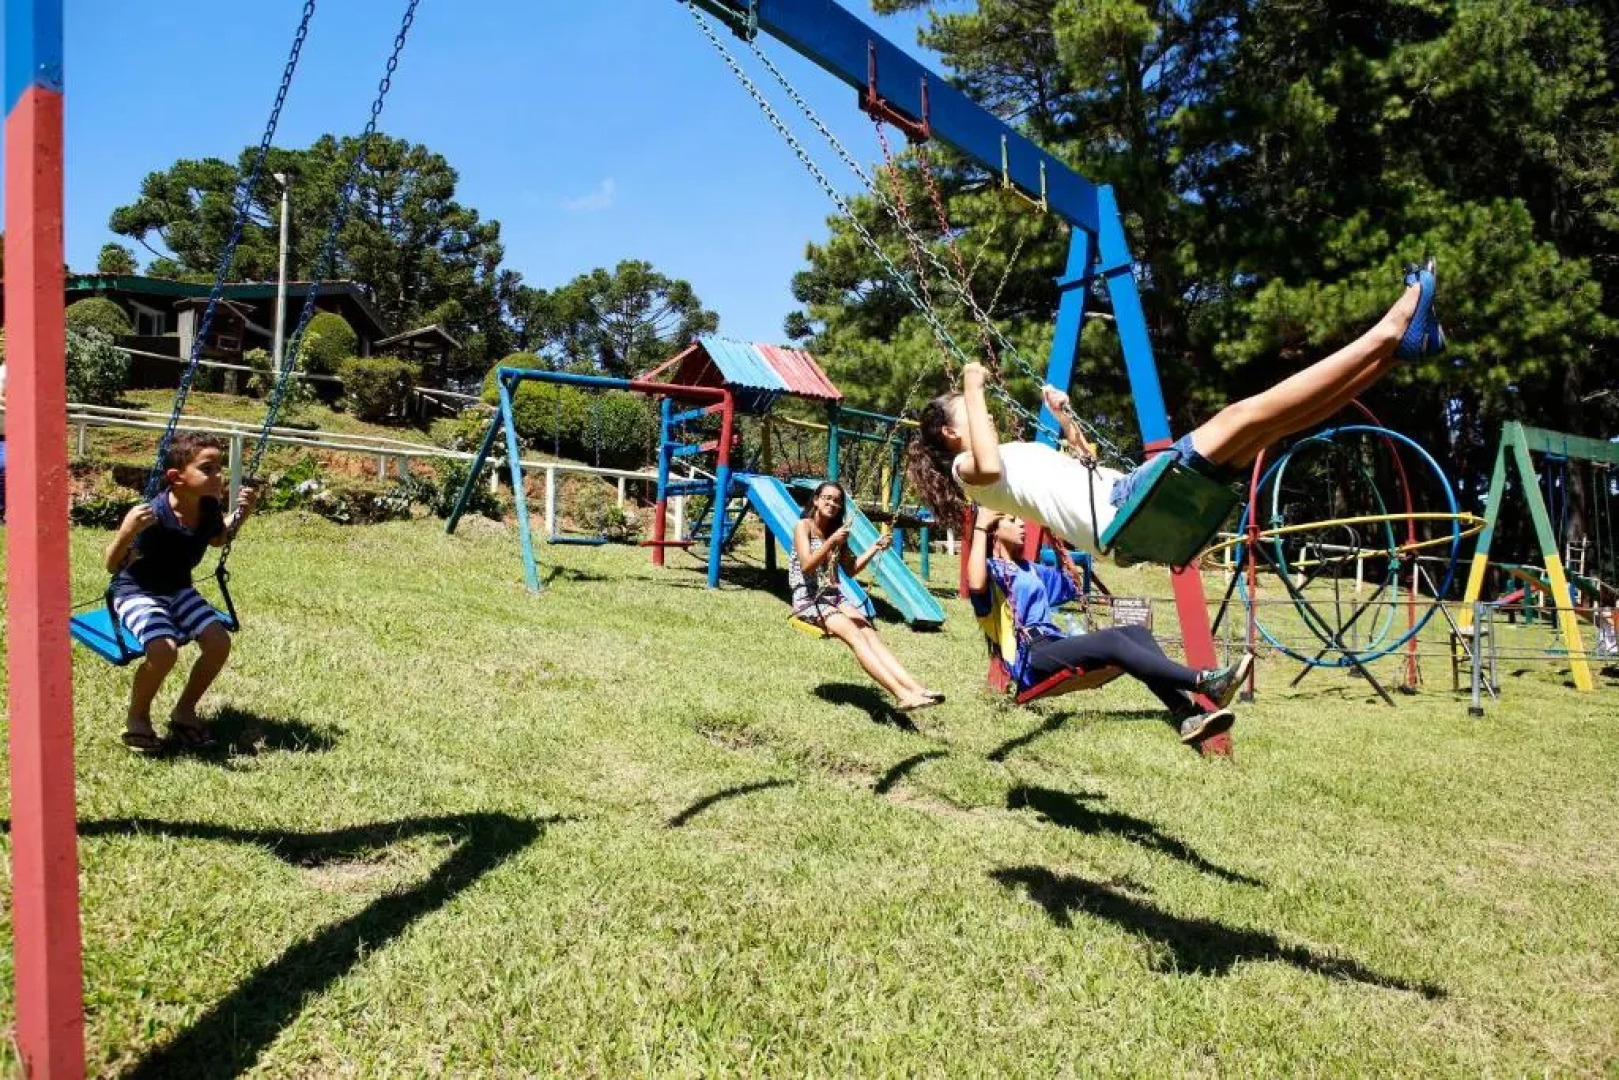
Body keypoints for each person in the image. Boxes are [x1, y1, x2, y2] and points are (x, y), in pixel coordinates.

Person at [907, 262, 1445, 557]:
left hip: (1122, 499)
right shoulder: (969, 473)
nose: (982, 416)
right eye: (967, 414)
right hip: (1125, 509)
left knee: (1271, 424)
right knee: (1243, 415)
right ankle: (1389, 328)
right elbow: (991, 462)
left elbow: (1086, 460)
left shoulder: (1005, 458)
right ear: (951, 435)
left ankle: (1397, 352)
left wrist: (1065, 416)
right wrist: (971, 385)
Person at [968, 508, 1252, 744]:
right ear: (994, 528)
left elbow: (1071, 584)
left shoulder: (1030, 569)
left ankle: (1185, 713)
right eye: (1012, 519)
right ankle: (1204, 682)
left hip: (1054, 643)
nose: (1022, 525)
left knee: (1136, 632)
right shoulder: (991, 571)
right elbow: (976, 584)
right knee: (1113, 644)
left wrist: (1061, 534)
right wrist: (980, 528)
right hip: (1032, 657)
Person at [106, 432, 258, 753]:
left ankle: (184, 710)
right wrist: (127, 530)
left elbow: (217, 539)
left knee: (219, 643)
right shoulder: (152, 517)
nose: (218, 476)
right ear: (176, 478)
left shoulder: (209, 508)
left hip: (179, 590)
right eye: (208, 469)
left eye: (219, 468)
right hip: (137, 592)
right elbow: (112, 565)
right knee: (164, 651)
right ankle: (138, 717)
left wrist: (241, 515)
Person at [791, 480, 943, 712]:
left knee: (869, 633)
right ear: (816, 500)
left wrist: (875, 547)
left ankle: (917, 689)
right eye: (827, 498)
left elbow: (851, 570)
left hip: (833, 596)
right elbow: (807, 566)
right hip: (809, 600)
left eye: (837, 501)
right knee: (855, 636)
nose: (832, 503)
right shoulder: (803, 526)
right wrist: (832, 542)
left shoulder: (836, 532)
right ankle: (902, 695)